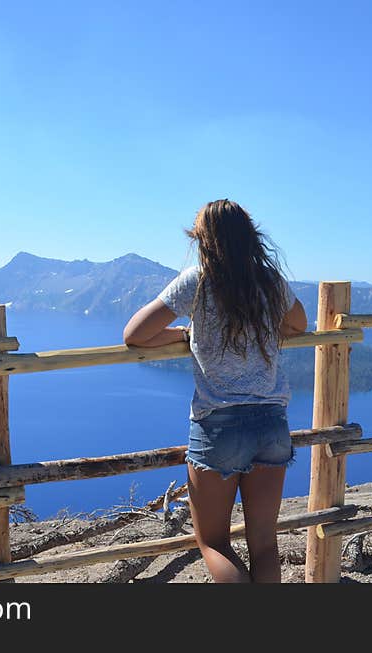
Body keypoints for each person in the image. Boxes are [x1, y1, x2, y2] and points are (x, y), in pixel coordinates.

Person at [123, 199, 307, 583]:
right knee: (264, 542)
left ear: (205, 240)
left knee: (214, 543)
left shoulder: (199, 281)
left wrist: (185, 333)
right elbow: (300, 323)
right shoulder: (269, 281)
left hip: (218, 426)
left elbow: (134, 335)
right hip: (272, 423)